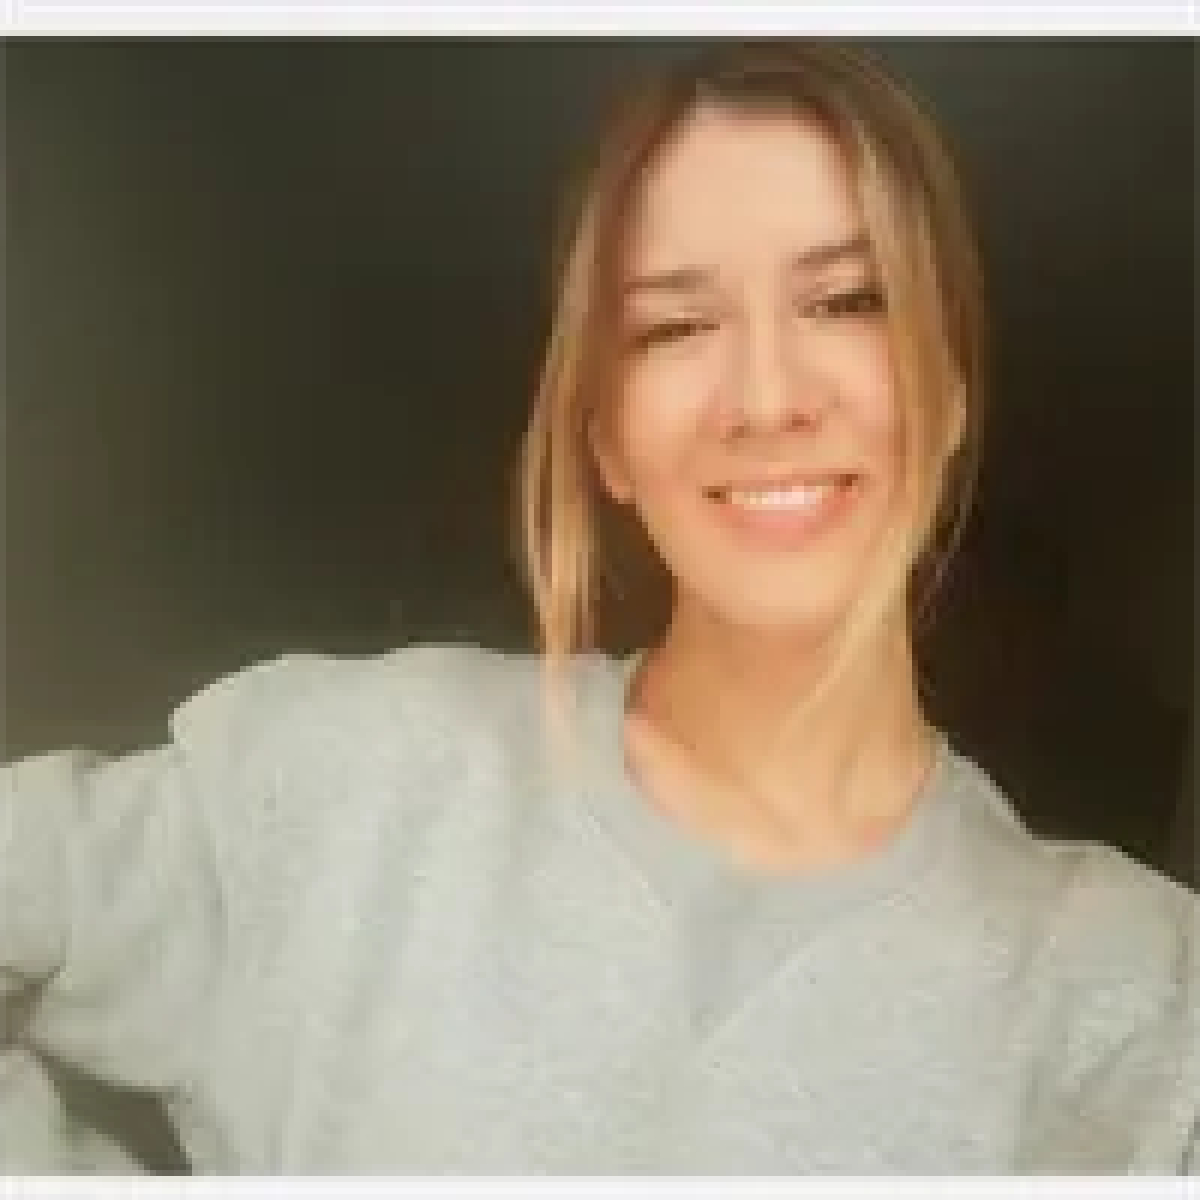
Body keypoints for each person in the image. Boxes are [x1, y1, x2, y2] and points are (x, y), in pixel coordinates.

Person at [2, 40, 1196, 1176]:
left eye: (848, 300)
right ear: (609, 436)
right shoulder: (345, 779)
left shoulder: (1138, 1000)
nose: (767, 397)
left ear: (949, 392)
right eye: (676, 324)